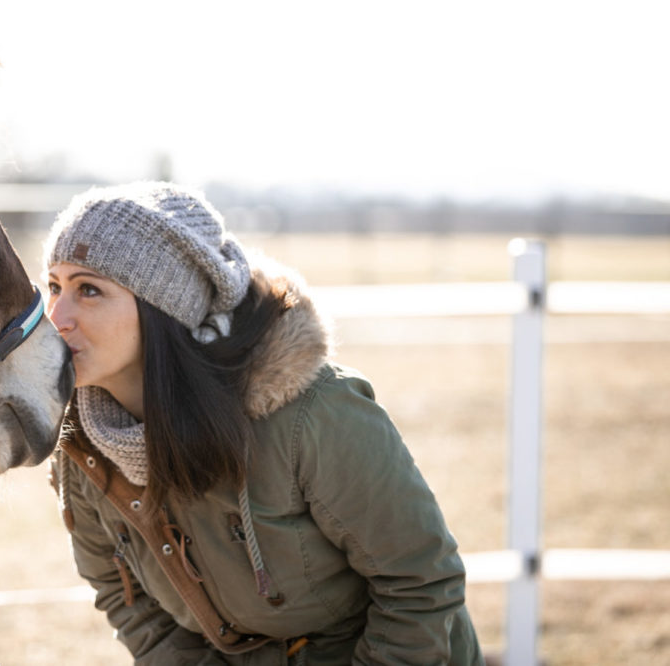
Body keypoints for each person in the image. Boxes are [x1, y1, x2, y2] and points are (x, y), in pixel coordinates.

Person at [44, 182, 484, 665]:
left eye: (89, 290)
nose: (56, 316)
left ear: (164, 307)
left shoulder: (312, 415)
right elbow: (126, 601)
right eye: (54, 286)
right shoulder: (81, 445)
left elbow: (420, 585)